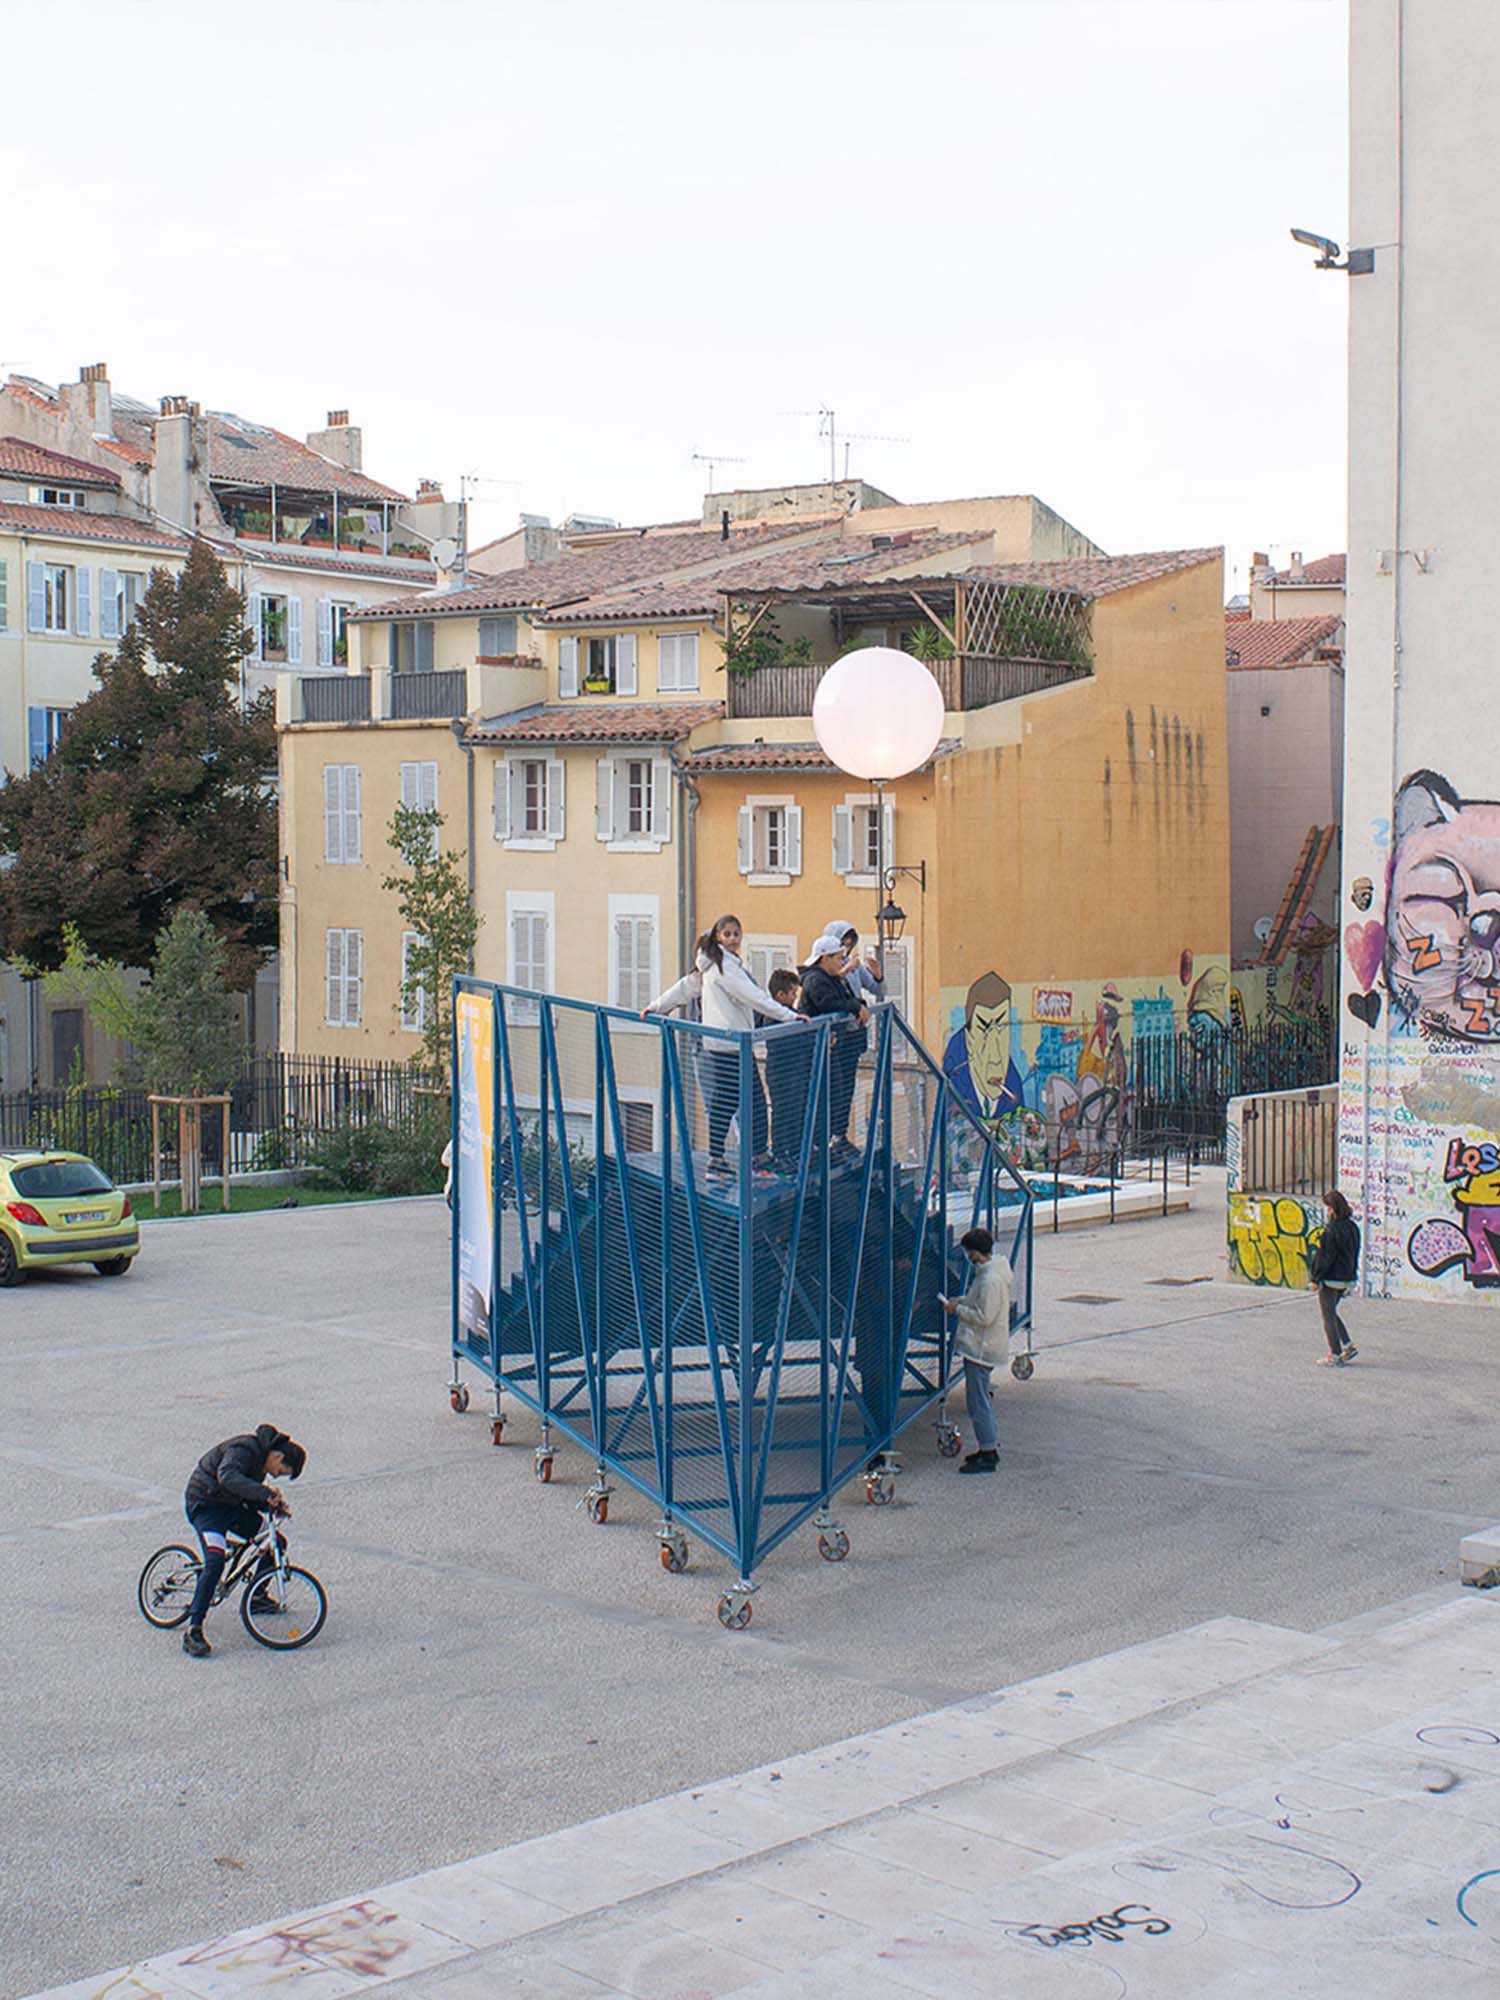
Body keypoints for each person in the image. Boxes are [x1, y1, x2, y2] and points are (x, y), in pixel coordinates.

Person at [647, 915, 800, 1178]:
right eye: (727, 934)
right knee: (749, 1104)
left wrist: (658, 1006)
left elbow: (684, 988)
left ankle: (721, 1160)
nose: (732, 939)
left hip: (724, 1044)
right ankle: (753, 1160)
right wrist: (790, 1015)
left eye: (736, 934)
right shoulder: (724, 968)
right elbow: (754, 997)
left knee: (726, 1103)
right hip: (732, 1045)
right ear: (719, 937)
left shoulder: (711, 966)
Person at [181, 1425, 306, 1658]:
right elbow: (228, 1477)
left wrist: (272, 1505)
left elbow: (246, 1493)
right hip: (206, 1507)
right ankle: (193, 1628)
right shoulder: (244, 1448)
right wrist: (264, 1493)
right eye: (281, 1470)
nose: (276, 1476)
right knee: (215, 1561)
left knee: (275, 1542)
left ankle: (256, 1597)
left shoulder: (259, 1463)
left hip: (231, 1507)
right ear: (277, 1456)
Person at [940, 1226, 1012, 1473]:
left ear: (976, 1253)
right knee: (978, 1399)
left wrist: (957, 1309)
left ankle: (988, 1451)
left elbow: (984, 1316)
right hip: (984, 1346)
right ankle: (986, 1448)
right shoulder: (991, 1273)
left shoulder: (989, 1280)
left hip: (982, 1348)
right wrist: (960, 1302)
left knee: (978, 1402)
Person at [799, 929, 868, 1160]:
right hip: (818, 1049)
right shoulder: (816, 979)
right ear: (825, 958)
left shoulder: (828, 978)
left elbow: (843, 997)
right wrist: (855, 1006)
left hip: (832, 1047)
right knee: (828, 1097)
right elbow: (828, 1003)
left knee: (837, 1094)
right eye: (838, 958)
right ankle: (820, 1146)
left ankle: (829, 1142)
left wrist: (858, 1004)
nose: (842, 962)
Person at [764, 968, 813, 1169]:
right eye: (793, 994)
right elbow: (786, 1041)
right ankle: (779, 1152)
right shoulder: (775, 1016)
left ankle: (792, 1150)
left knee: (795, 1110)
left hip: (795, 1068)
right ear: (780, 995)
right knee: (782, 1112)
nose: (795, 998)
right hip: (781, 1070)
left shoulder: (792, 1014)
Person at [1309, 1188, 1360, 1365]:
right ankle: (1347, 1345)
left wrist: (1315, 1278)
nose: (1328, 1211)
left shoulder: (1331, 1230)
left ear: (1334, 1208)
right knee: (1331, 1311)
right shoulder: (1353, 1227)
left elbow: (1325, 1256)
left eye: (1329, 1207)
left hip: (1332, 1278)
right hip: (1347, 1277)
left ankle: (1335, 1354)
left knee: (1327, 1315)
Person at [827, 919, 884, 1006]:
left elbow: (880, 991)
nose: (846, 948)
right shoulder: (822, 965)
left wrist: (878, 976)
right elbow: (825, 987)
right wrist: (846, 970)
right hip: (831, 1017)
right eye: (843, 943)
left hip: (854, 1017)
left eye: (849, 945)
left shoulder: (855, 965)